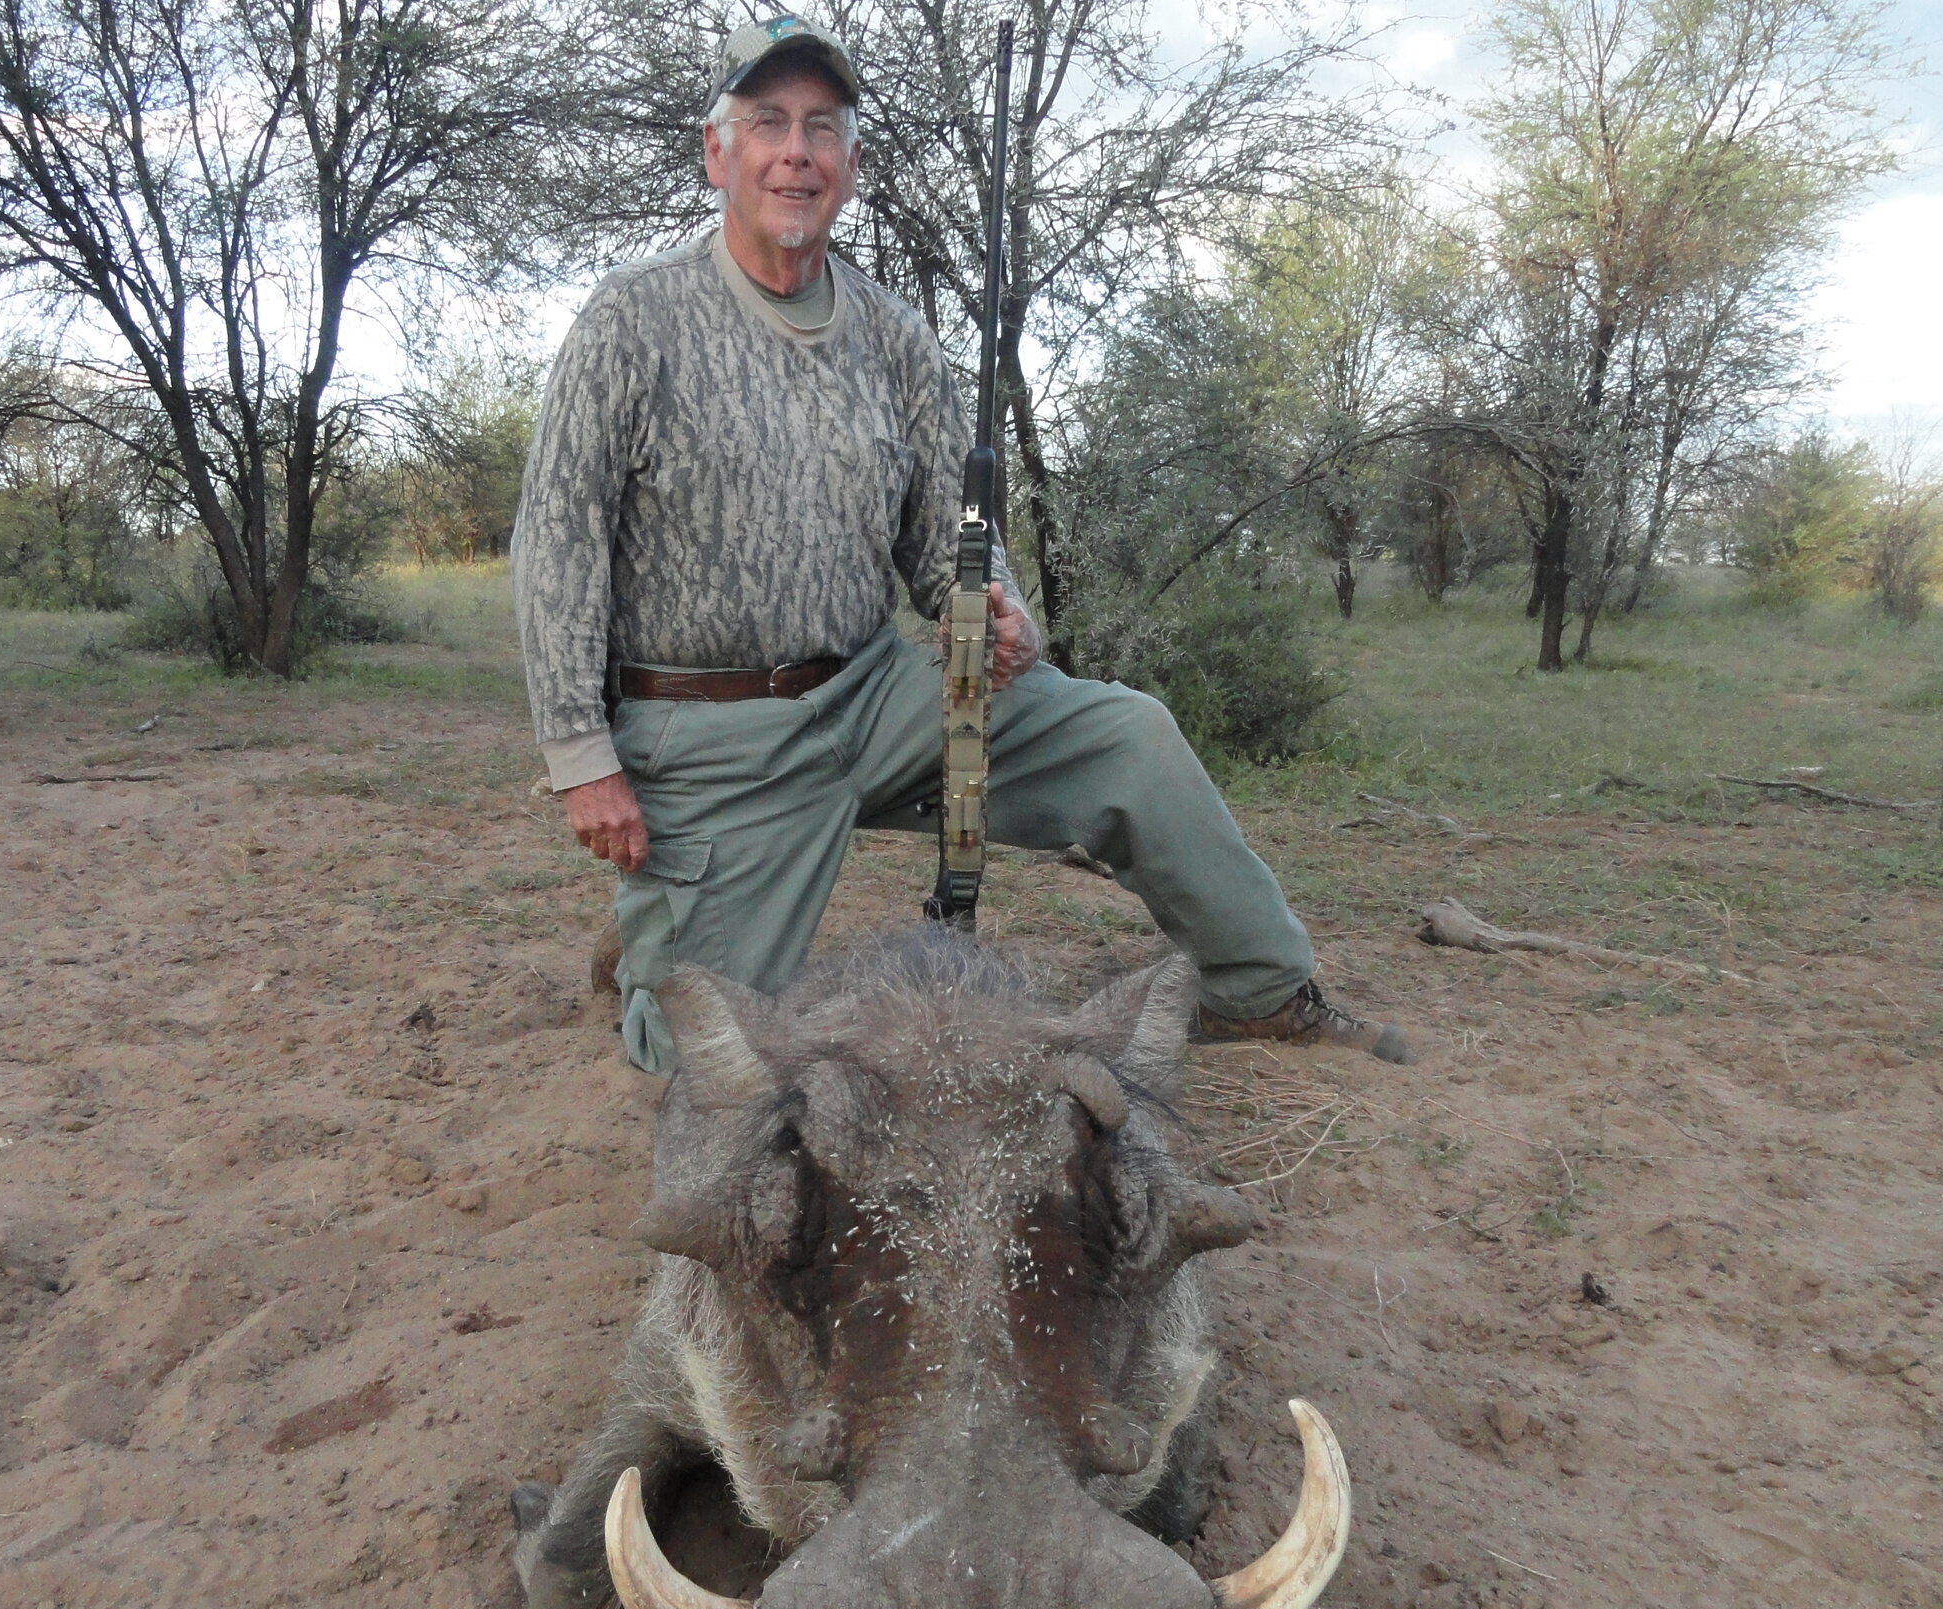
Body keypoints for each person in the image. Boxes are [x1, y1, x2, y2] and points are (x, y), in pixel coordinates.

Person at [511, 12, 1412, 1076]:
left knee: (1127, 735)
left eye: (822, 127)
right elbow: (558, 542)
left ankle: (1257, 988)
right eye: (767, 122)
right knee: (711, 1073)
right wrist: (581, 760)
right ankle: (659, 922)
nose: (796, 150)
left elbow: (948, 540)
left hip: (875, 697)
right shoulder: (631, 319)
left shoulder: (894, 332)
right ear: (718, 152)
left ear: (849, 165)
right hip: (708, 741)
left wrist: (997, 610)